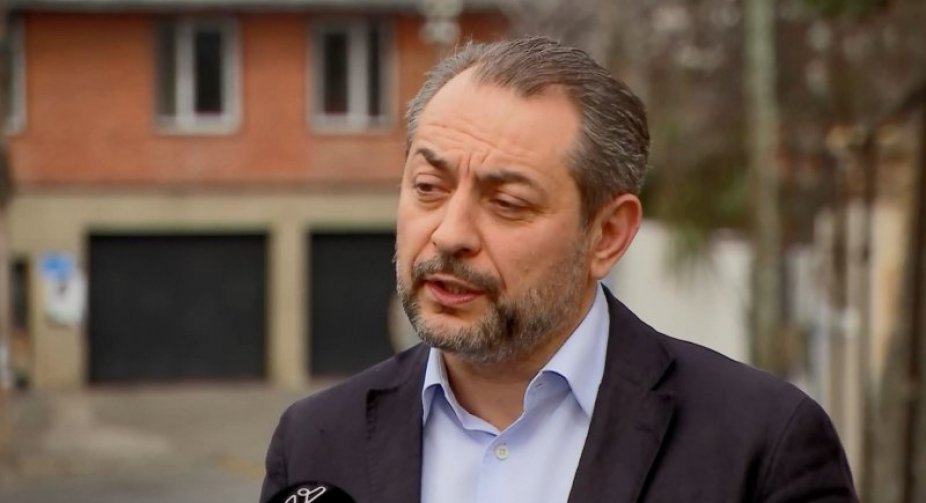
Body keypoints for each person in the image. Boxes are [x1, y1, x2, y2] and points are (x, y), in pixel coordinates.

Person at [260, 36, 857, 503]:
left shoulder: (762, 446)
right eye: (427, 187)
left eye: (507, 203)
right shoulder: (315, 443)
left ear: (607, 234)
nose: (449, 234)